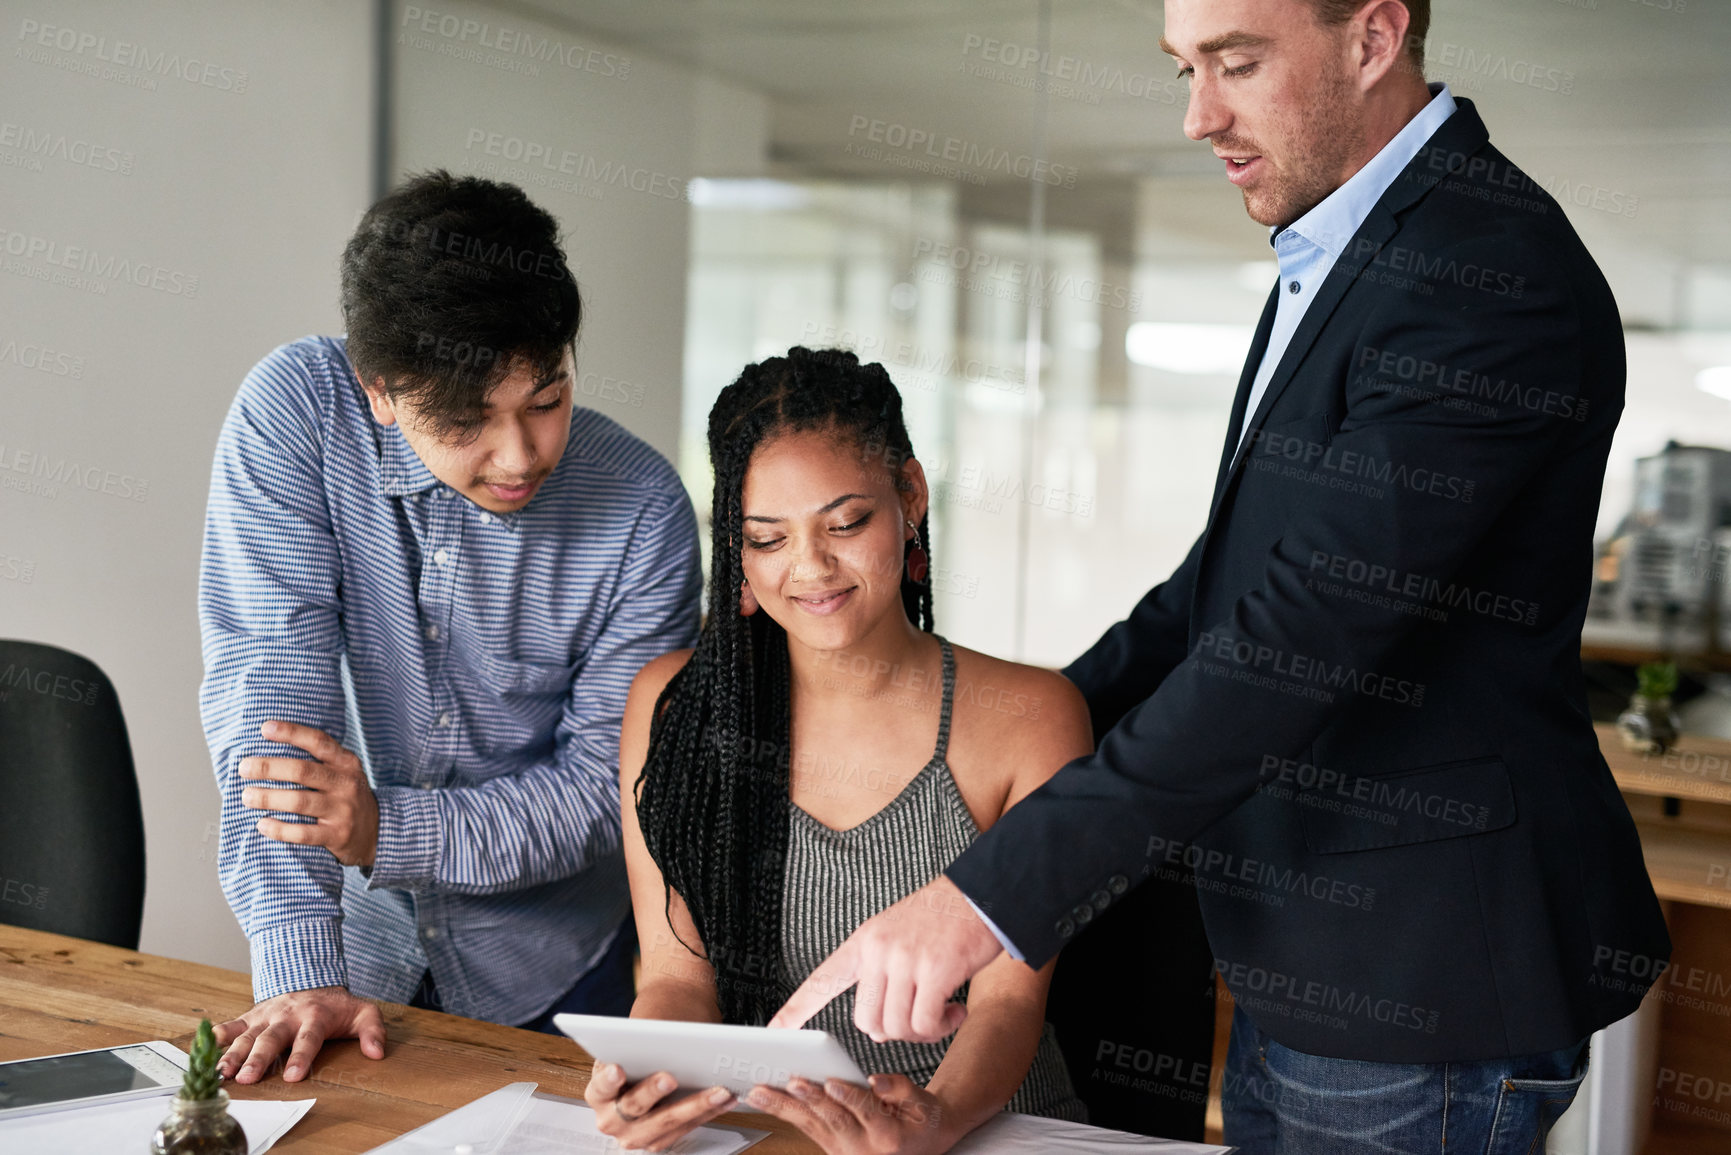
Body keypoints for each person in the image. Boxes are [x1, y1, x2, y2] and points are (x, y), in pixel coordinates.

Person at [774, 2, 1673, 1152]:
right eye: (1185, 68)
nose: (1198, 116)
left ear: (1373, 36)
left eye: (1237, 64)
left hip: (1419, 977)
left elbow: (1298, 638)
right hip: (1308, 955)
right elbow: (1227, 587)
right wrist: (996, 736)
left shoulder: (1482, 272)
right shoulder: (1353, 245)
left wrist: (989, 898)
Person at [197, 171, 700, 1084]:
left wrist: (386, 832)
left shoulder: (642, 510)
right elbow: (270, 696)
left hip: (550, 968)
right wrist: (305, 970)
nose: (518, 455)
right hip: (349, 953)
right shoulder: (299, 414)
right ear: (382, 391)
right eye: (468, 419)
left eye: (546, 401)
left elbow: (600, 794)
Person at [582, 347, 1089, 1153]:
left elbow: (1007, 1005)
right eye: (766, 537)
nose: (810, 567)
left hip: (984, 1129)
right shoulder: (673, 705)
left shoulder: (1030, 716)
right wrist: (648, 1073)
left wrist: (933, 1117)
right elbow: (678, 980)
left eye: (844, 523)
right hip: (775, 1129)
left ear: (909, 496)